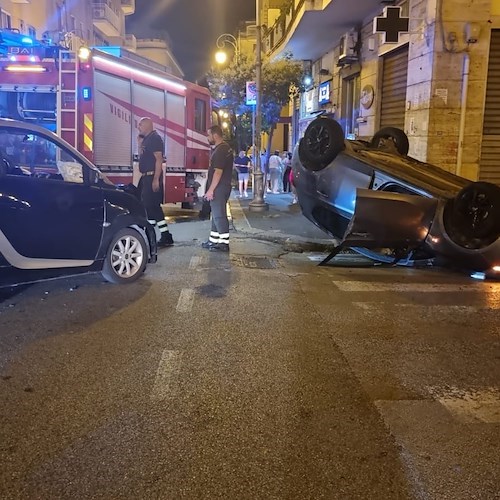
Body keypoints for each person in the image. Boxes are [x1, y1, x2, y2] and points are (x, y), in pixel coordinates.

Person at [137, 117, 173, 247]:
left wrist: (156, 179)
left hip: (152, 176)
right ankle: (159, 235)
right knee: (151, 207)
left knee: (151, 206)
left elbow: (159, 160)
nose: (138, 127)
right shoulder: (147, 139)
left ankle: (160, 236)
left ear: (147, 125)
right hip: (146, 177)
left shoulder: (155, 139)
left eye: (140, 124)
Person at [202, 125, 234, 252]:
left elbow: (218, 172)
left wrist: (211, 190)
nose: (207, 138)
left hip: (219, 187)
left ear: (215, 135)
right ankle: (214, 240)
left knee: (219, 215)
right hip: (222, 186)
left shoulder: (220, 150)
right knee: (215, 215)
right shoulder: (224, 148)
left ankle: (223, 243)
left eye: (208, 135)